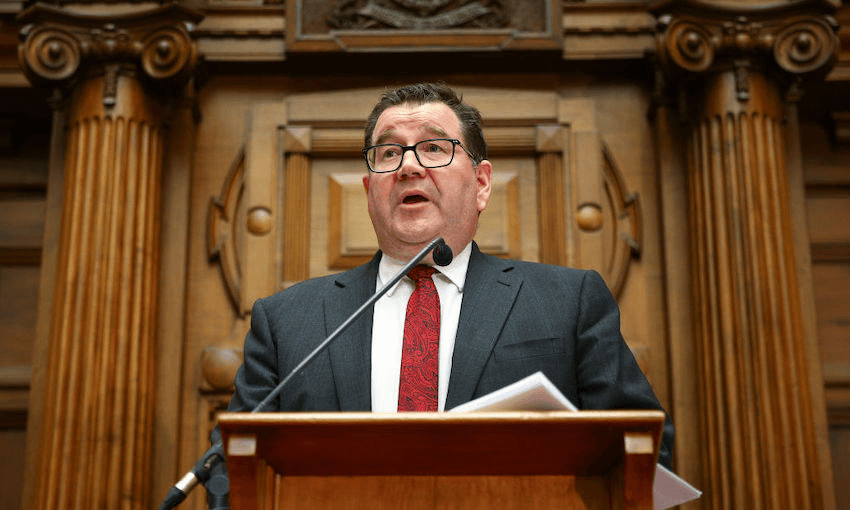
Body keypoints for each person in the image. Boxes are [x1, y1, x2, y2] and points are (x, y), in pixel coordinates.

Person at [222, 82, 674, 468]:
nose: (408, 166)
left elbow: (642, 451)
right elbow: (233, 466)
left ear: (481, 184)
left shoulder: (568, 302)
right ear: (369, 189)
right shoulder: (286, 322)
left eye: (434, 148)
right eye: (389, 152)